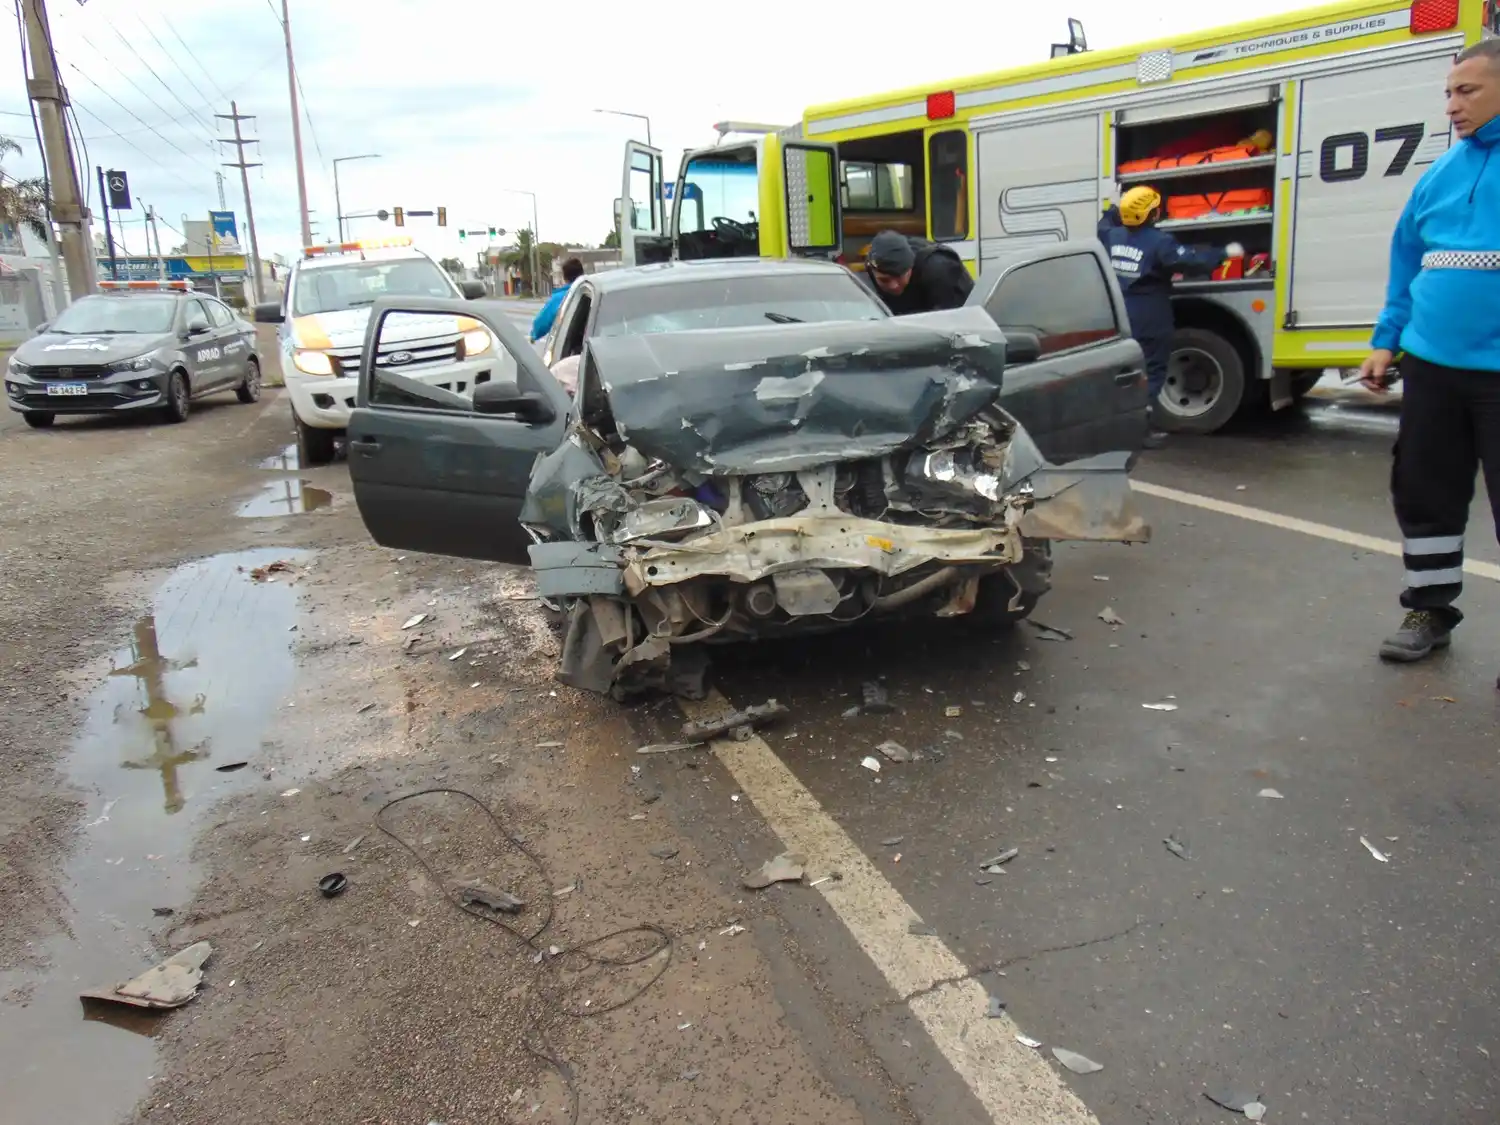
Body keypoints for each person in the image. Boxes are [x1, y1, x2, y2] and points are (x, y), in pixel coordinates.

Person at [1359, 38, 1500, 665]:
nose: (1451, 105)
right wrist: (1387, 341)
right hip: (1434, 365)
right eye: (1448, 92)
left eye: (1466, 90)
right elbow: (1407, 262)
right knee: (1425, 491)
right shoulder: (1441, 174)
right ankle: (1430, 607)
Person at [1098, 187, 1239, 448]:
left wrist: (1113, 206)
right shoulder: (1160, 242)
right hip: (1151, 314)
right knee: (1151, 372)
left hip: (1122, 312)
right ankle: (1138, 432)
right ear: (1152, 214)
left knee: (1127, 373)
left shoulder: (1112, 235)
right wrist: (1224, 253)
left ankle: (1116, 425)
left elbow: (1103, 224)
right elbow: (1192, 262)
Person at [861, 230, 973, 314]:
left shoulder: (938, 268)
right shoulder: (872, 268)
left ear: (911, 267)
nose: (893, 285)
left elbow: (955, 321)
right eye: (884, 280)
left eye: (900, 276)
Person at [530, 257, 584, 343]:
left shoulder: (560, 297)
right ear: (582, 274)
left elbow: (542, 322)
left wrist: (534, 335)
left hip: (571, 347)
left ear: (564, 277)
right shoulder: (592, 292)